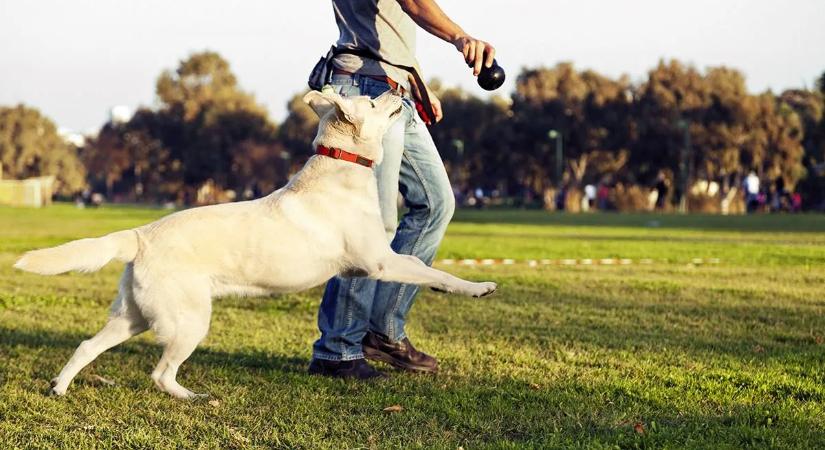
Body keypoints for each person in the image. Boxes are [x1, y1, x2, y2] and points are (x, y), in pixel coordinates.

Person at [308, 0, 497, 379]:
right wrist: (460, 37)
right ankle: (338, 349)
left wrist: (415, 82)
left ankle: (383, 331)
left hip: (394, 92)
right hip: (365, 92)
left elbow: (388, 28)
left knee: (435, 203)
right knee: (372, 227)